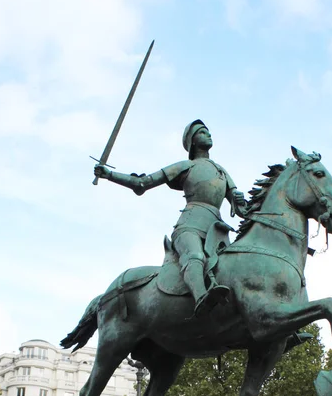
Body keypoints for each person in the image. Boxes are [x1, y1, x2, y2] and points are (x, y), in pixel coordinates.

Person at [94, 120, 247, 316]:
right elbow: (142, 183)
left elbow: (241, 208)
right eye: (202, 132)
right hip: (190, 226)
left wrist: (241, 200)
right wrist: (110, 175)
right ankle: (201, 297)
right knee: (195, 256)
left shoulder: (221, 171)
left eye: (208, 132)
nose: (208, 135)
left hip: (217, 231)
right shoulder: (185, 166)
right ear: (192, 141)